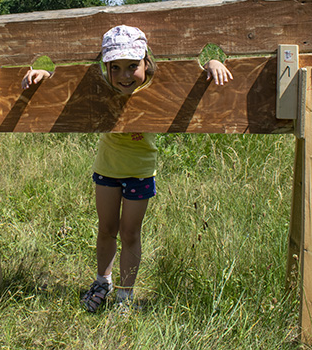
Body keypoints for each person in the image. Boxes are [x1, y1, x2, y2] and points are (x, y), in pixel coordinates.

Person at [22, 25, 232, 313]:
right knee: (107, 229)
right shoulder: (103, 88)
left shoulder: (154, 88)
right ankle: (103, 282)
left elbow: (192, 77)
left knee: (130, 233)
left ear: (146, 63)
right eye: (115, 67)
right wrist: (46, 76)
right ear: (105, 68)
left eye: (132, 66)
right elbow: (65, 85)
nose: (124, 75)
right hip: (107, 170)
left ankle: (125, 294)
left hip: (141, 173)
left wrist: (211, 63)